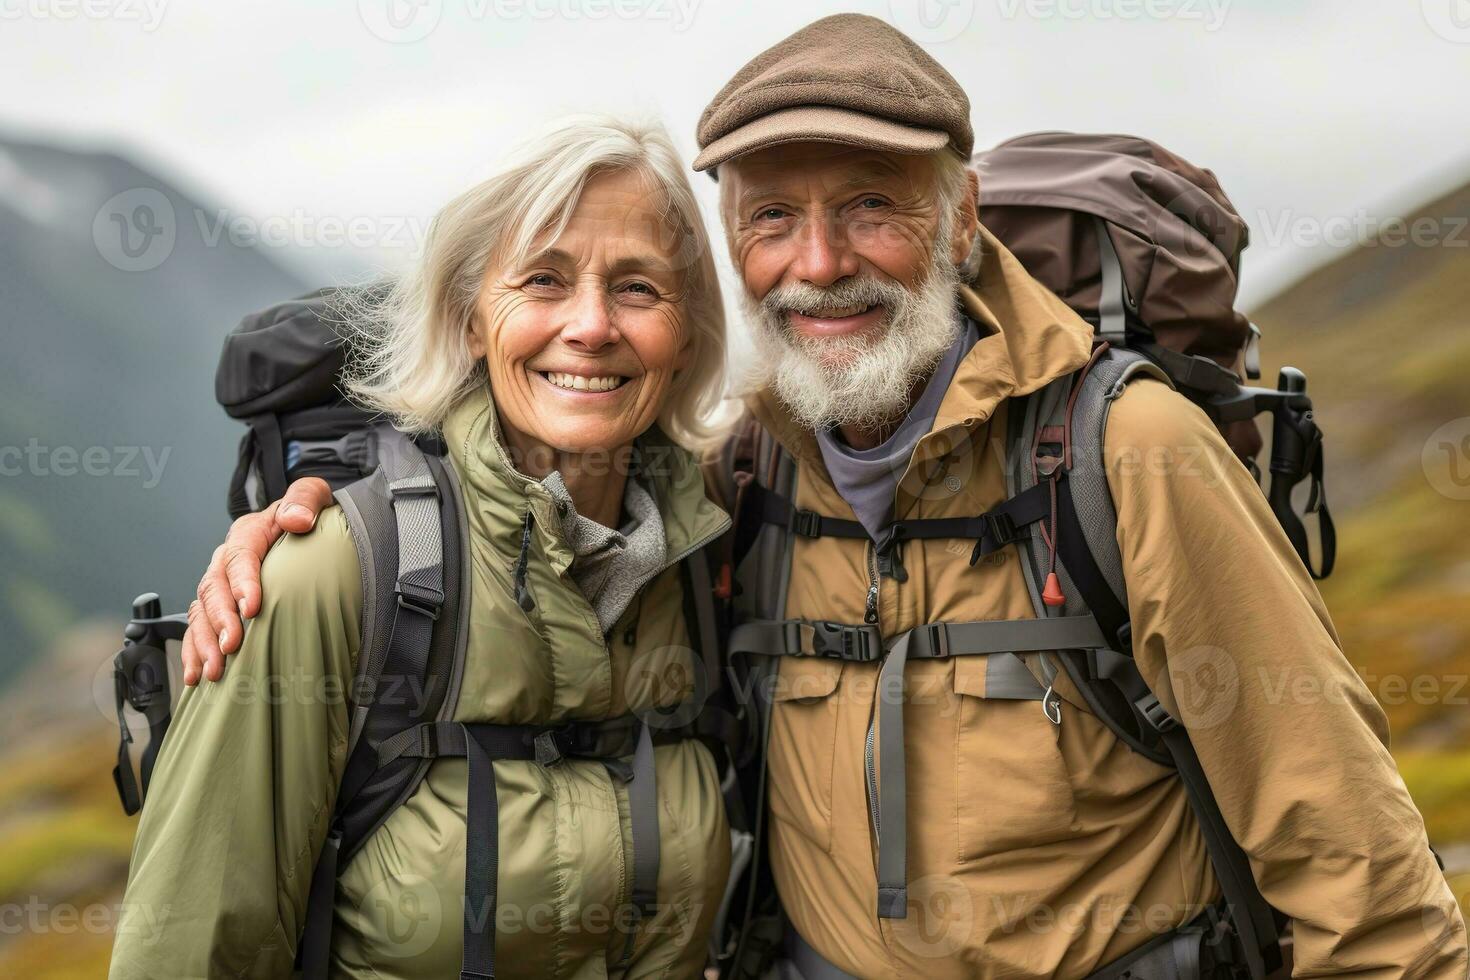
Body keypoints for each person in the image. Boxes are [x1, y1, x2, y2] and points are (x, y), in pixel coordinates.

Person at [180, 15, 1468, 979]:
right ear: (732, 250)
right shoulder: (744, 478)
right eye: (773, 216)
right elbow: (530, 515)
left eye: (871, 206)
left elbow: (1357, 863)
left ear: (962, 221)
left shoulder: (1127, 450)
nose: (821, 261)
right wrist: (304, 525)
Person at [111, 115, 736, 979]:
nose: (591, 325)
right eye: (544, 281)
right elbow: (188, 949)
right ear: (472, 318)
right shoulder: (336, 572)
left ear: (690, 331)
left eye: (638, 288)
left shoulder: (709, 556)